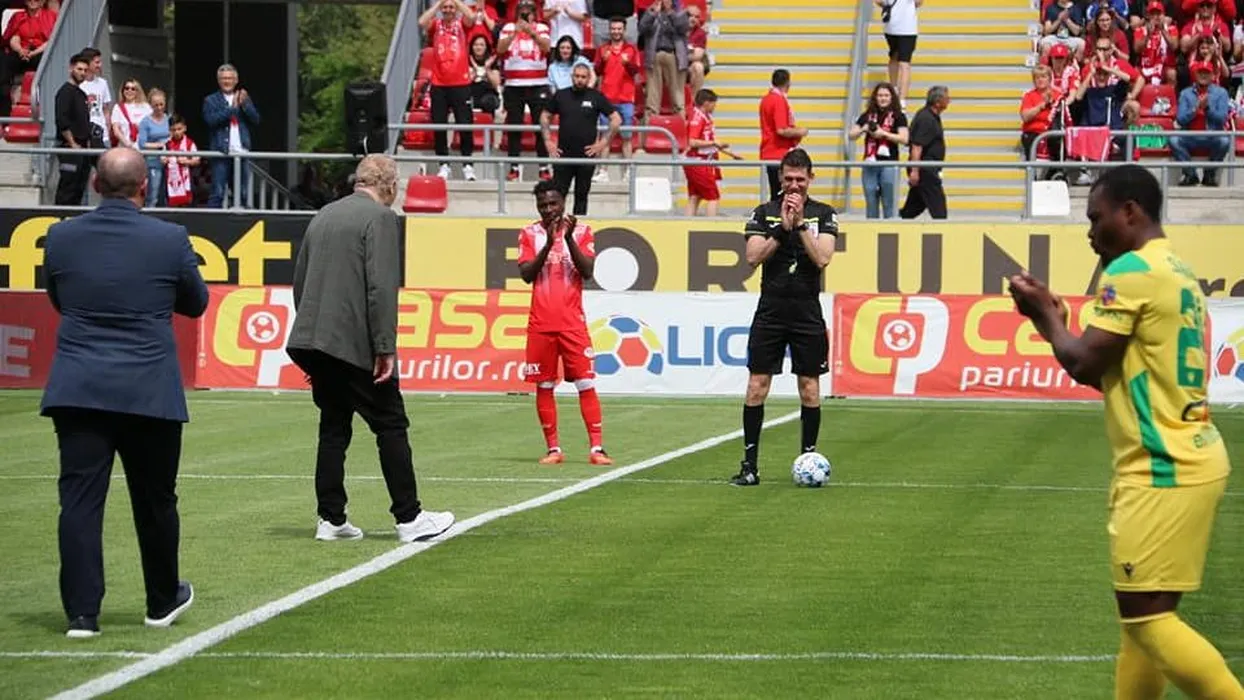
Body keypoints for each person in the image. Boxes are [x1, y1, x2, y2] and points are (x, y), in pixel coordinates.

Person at [1008, 164, 1244, 700]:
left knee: (1146, 621)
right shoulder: (1175, 268)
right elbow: (1118, 374)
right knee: (1143, 623)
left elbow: (1083, 364)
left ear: (1130, 211)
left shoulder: (1131, 271)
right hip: (1191, 455)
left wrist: (1044, 317)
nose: (1090, 231)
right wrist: (1057, 320)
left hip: (1162, 466)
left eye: (1097, 218)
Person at [40, 147, 208, 638]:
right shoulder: (170, 237)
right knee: (155, 500)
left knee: (79, 502)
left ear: (96, 185)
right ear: (144, 186)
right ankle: (161, 599)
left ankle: (82, 614)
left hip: (79, 385)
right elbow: (196, 303)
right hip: (148, 388)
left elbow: (59, 298)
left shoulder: (61, 236)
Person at [285, 155, 456, 544]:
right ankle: (409, 517)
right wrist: (385, 347)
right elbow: (381, 287)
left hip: (315, 339)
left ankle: (331, 517)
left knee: (334, 425)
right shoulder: (380, 218)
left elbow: (301, 282)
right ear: (390, 185)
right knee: (390, 423)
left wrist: (313, 341)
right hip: (352, 341)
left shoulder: (324, 215)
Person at [731, 148, 838, 487]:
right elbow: (752, 258)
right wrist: (781, 230)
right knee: (756, 386)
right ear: (779, 178)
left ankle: (808, 458)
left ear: (810, 179)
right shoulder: (764, 213)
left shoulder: (824, 214)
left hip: (807, 310)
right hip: (771, 310)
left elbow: (822, 258)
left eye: (800, 179)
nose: (794, 185)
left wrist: (801, 224)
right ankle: (750, 466)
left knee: (809, 388)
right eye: (788, 179)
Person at [517, 179, 613, 466]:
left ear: (563, 202)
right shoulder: (529, 233)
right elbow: (526, 274)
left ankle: (597, 449)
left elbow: (587, 271)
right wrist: (548, 243)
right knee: (544, 385)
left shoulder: (582, 231)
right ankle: (553, 449)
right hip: (541, 323)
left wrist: (567, 238)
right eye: (543, 205)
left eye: (553, 203)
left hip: (572, 323)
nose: (548, 209)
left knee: (585, 382)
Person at [540, 62, 620, 216]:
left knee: (581, 196)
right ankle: (556, 227)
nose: (580, 80)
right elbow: (545, 116)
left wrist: (602, 144)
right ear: (572, 77)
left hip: (586, 156)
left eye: (583, 77)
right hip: (563, 155)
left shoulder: (596, 97)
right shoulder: (561, 95)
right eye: (577, 76)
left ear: (589, 78)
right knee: (557, 196)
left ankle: (578, 228)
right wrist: (548, 140)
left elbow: (616, 119)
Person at [900, 84, 949, 220]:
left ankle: (899, 221)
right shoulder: (926, 119)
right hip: (925, 170)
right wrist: (915, 171)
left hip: (927, 169)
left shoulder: (931, 116)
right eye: (946, 98)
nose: (949, 101)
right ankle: (942, 230)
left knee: (913, 208)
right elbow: (917, 146)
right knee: (939, 210)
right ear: (937, 102)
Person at [53, 52, 91, 206]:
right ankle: (60, 216)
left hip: (83, 148)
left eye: (85, 70)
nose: (82, 73)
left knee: (78, 188)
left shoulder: (81, 93)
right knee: (68, 188)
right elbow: (62, 120)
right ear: (71, 69)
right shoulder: (65, 92)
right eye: (79, 69)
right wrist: (72, 143)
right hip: (69, 148)